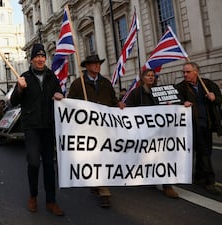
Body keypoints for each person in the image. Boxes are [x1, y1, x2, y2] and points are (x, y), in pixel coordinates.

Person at [10, 43, 64, 216]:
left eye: (43, 56)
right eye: (37, 57)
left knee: (49, 165)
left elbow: (59, 95)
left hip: (48, 126)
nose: (40, 59)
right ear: (32, 59)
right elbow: (13, 101)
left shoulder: (51, 76)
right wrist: (19, 89)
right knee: (33, 163)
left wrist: (60, 96)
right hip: (32, 127)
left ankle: (51, 201)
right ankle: (33, 196)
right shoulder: (24, 77)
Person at [67, 54, 125, 208]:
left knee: (103, 158)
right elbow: (70, 105)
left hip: (104, 129)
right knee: (93, 158)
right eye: (94, 64)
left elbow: (112, 101)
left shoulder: (106, 83)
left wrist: (118, 104)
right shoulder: (78, 84)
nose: (97, 66)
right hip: (87, 130)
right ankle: (98, 185)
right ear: (87, 66)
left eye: (98, 63)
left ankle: (103, 190)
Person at [125, 69, 179, 198]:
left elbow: (173, 104)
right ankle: (152, 178)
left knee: (163, 157)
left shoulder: (160, 91)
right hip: (144, 132)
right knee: (149, 157)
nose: (151, 78)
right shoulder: (136, 93)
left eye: (152, 76)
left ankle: (167, 186)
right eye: (148, 76)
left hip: (160, 131)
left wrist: (174, 105)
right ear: (143, 78)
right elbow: (128, 109)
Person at [175, 61, 222, 195]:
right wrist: (182, 103)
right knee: (204, 152)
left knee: (205, 151)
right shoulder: (180, 87)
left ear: (196, 72)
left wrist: (214, 98)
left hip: (208, 124)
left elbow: (219, 99)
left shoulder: (208, 84)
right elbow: (174, 102)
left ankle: (198, 177)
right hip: (192, 126)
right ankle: (210, 182)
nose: (185, 74)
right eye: (183, 72)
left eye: (188, 72)